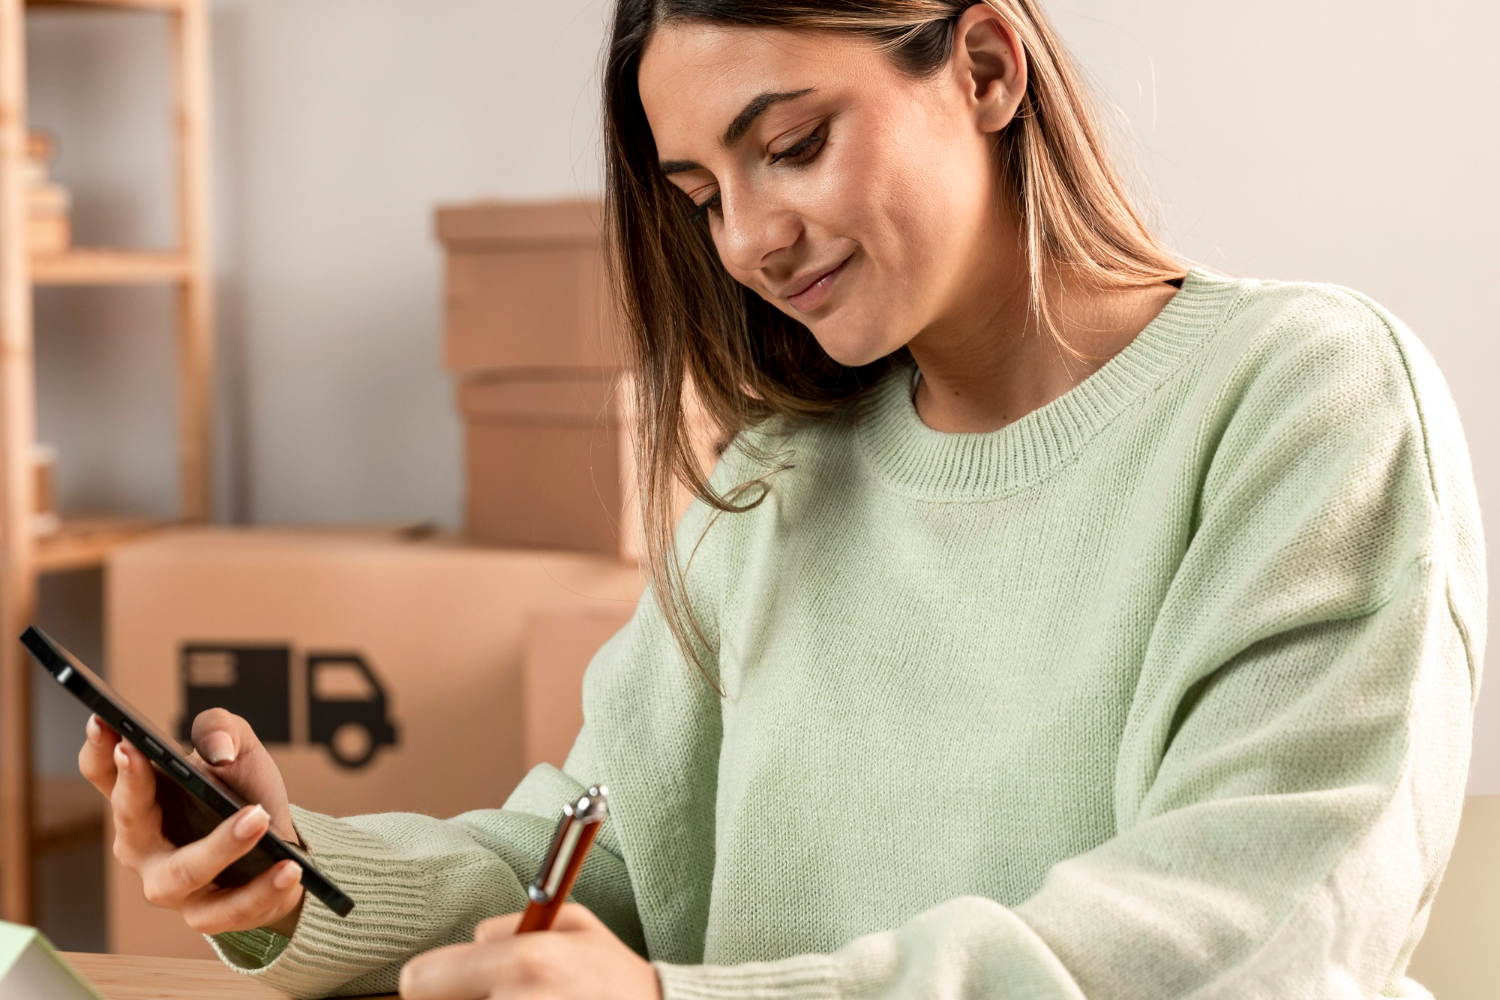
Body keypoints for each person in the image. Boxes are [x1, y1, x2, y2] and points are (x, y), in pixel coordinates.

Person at [78, 1, 1485, 998]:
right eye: (699, 191)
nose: (748, 239)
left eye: (793, 144)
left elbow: (1251, 943)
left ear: (987, 67)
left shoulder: (1306, 399)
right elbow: (603, 858)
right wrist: (301, 876)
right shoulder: (775, 475)